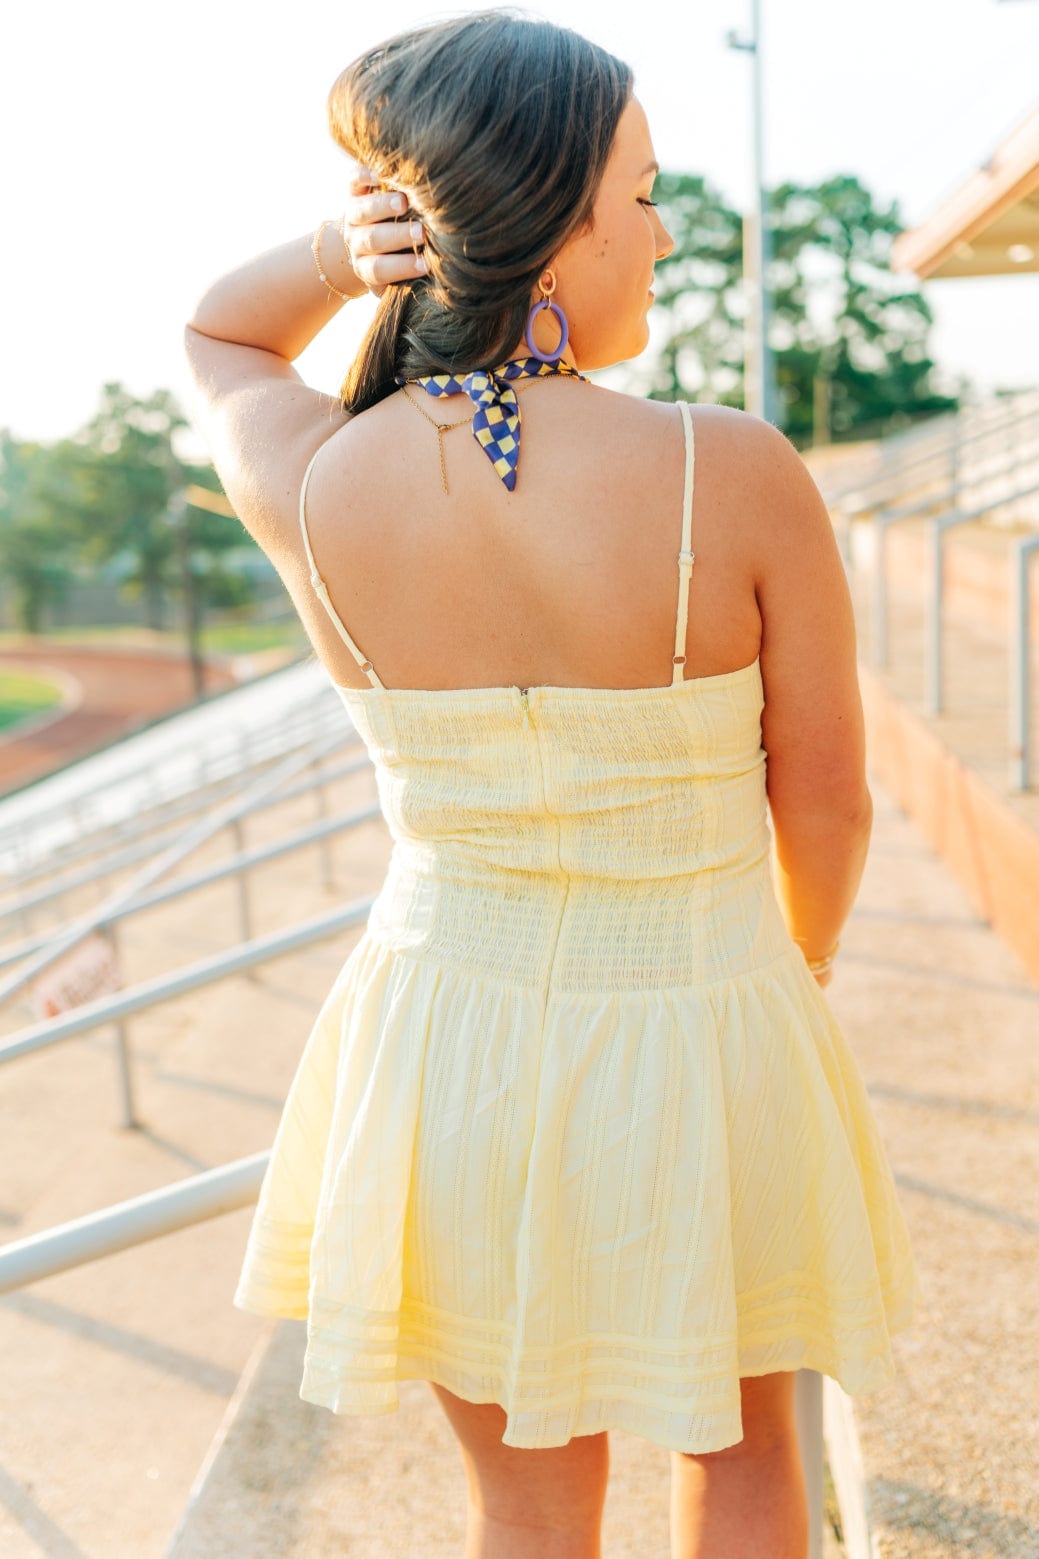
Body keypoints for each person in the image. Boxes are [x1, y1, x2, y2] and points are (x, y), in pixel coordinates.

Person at [184, 13, 921, 1557]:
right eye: (642, 194)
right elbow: (830, 800)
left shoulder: (318, 480)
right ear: (553, 213)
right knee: (747, 1464)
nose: (662, 233)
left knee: (522, 1504)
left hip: (445, 1034)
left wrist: (341, 251)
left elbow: (220, 338)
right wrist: (806, 966)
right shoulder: (734, 469)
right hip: (703, 1016)